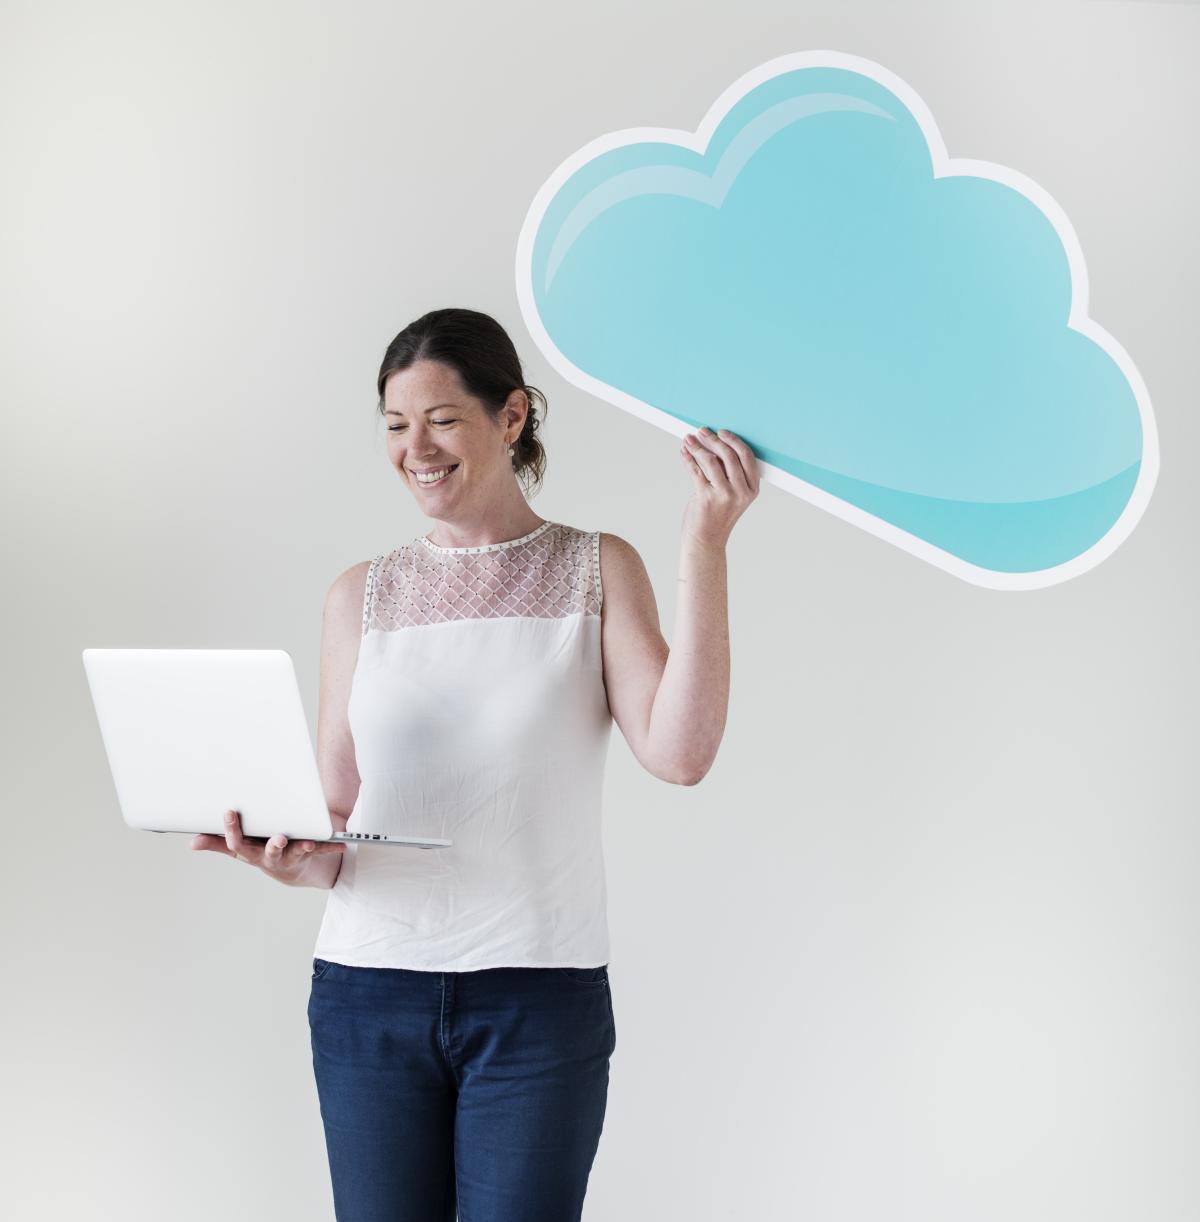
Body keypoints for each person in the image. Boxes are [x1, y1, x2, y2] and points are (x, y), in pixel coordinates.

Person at [191, 307, 759, 1221]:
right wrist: (294, 858)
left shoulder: (596, 567)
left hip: (538, 1001)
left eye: (442, 419)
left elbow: (681, 752)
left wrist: (706, 543)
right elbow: (339, 816)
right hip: (366, 995)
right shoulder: (358, 594)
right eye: (393, 425)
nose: (415, 448)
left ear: (512, 416)